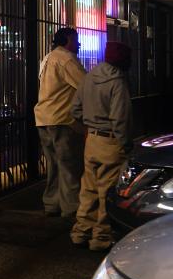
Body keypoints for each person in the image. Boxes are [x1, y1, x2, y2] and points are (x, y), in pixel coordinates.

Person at [71, 41, 133, 252]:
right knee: (106, 191)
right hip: (111, 141)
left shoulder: (89, 77)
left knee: (88, 187)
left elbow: (75, 109)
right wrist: (125, 144)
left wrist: (88, 126)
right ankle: (101, 237)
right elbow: (120, 118)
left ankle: (81, 231)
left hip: (92, 140)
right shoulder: (118, 81)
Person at [33, 27, 86, 218]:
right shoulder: (67, 59)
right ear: (67, 40)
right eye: (75, 40)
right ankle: (71, 207)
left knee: (53, 165)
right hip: (63, 119)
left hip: (43, 118)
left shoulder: (47, 58)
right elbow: (84, 85)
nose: (78, 44)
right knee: (69, 165)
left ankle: (51, 203)